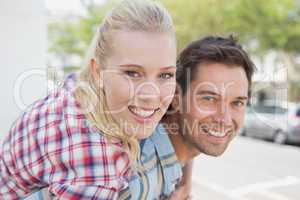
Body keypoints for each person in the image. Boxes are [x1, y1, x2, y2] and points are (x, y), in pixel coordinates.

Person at [0, 0, 179, 199]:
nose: (151, 95)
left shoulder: (79, 89)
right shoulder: (97, 164)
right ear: (97, 72)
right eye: (132, 73)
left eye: (165, 75)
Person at [164, 35, 256, 167]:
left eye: (237, 103)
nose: (224, 119)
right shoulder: (141, 179)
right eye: (209, 98)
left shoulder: (174, 162)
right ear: (175, 97)